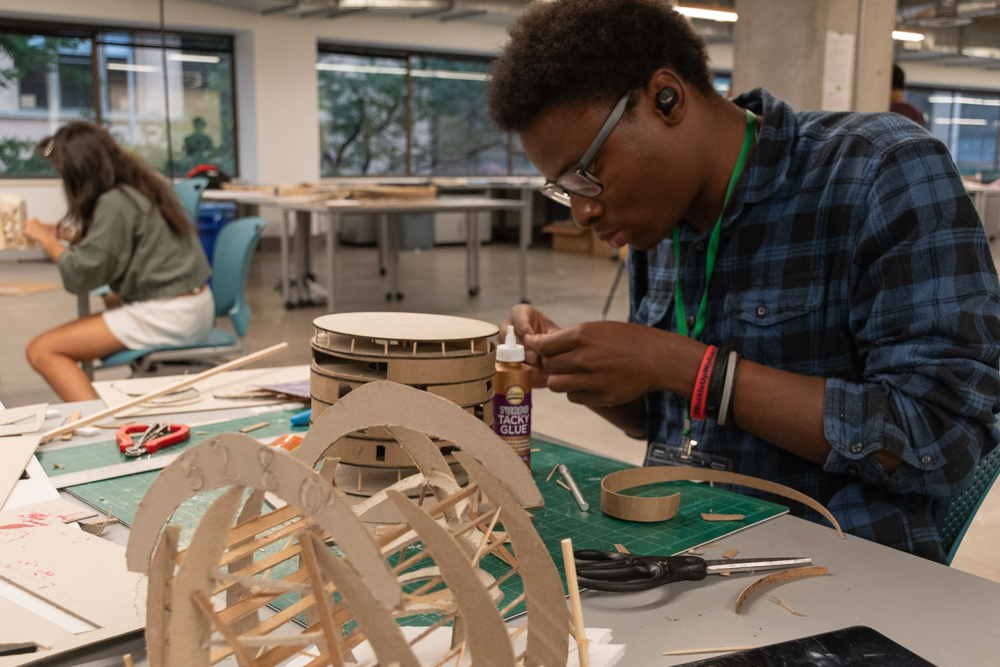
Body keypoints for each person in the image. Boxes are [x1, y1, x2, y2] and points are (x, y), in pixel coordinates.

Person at [490, 0, 1000, 562]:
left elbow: (942, 439)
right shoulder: (657, 220)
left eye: (585, 175)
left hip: (836, 570)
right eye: (563, 188)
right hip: (678, 549)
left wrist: (684, 365)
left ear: (666, 99)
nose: (582, 213)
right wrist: (575, 363)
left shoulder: (878, 170)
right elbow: (667, 422)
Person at [22, 121, 214, 402]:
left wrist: (46, 239)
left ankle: (98, 425)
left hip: (171, 314)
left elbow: (81, 275)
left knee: (42, 350)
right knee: (112, 300)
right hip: (197, 304)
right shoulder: (146, 184)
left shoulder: (114, 201)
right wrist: (71, 236)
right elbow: (124, 244)